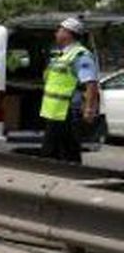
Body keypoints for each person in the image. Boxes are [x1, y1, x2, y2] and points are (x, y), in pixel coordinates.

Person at [39, 18, 100, 164]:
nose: (56, 33)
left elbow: (91, 83)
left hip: (66, 111)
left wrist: (89, 109)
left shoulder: (80, 55)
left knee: (54, 152)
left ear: (68, 34)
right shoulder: (63, 55)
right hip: (55, 112)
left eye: (59, 30)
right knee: (66, 151)